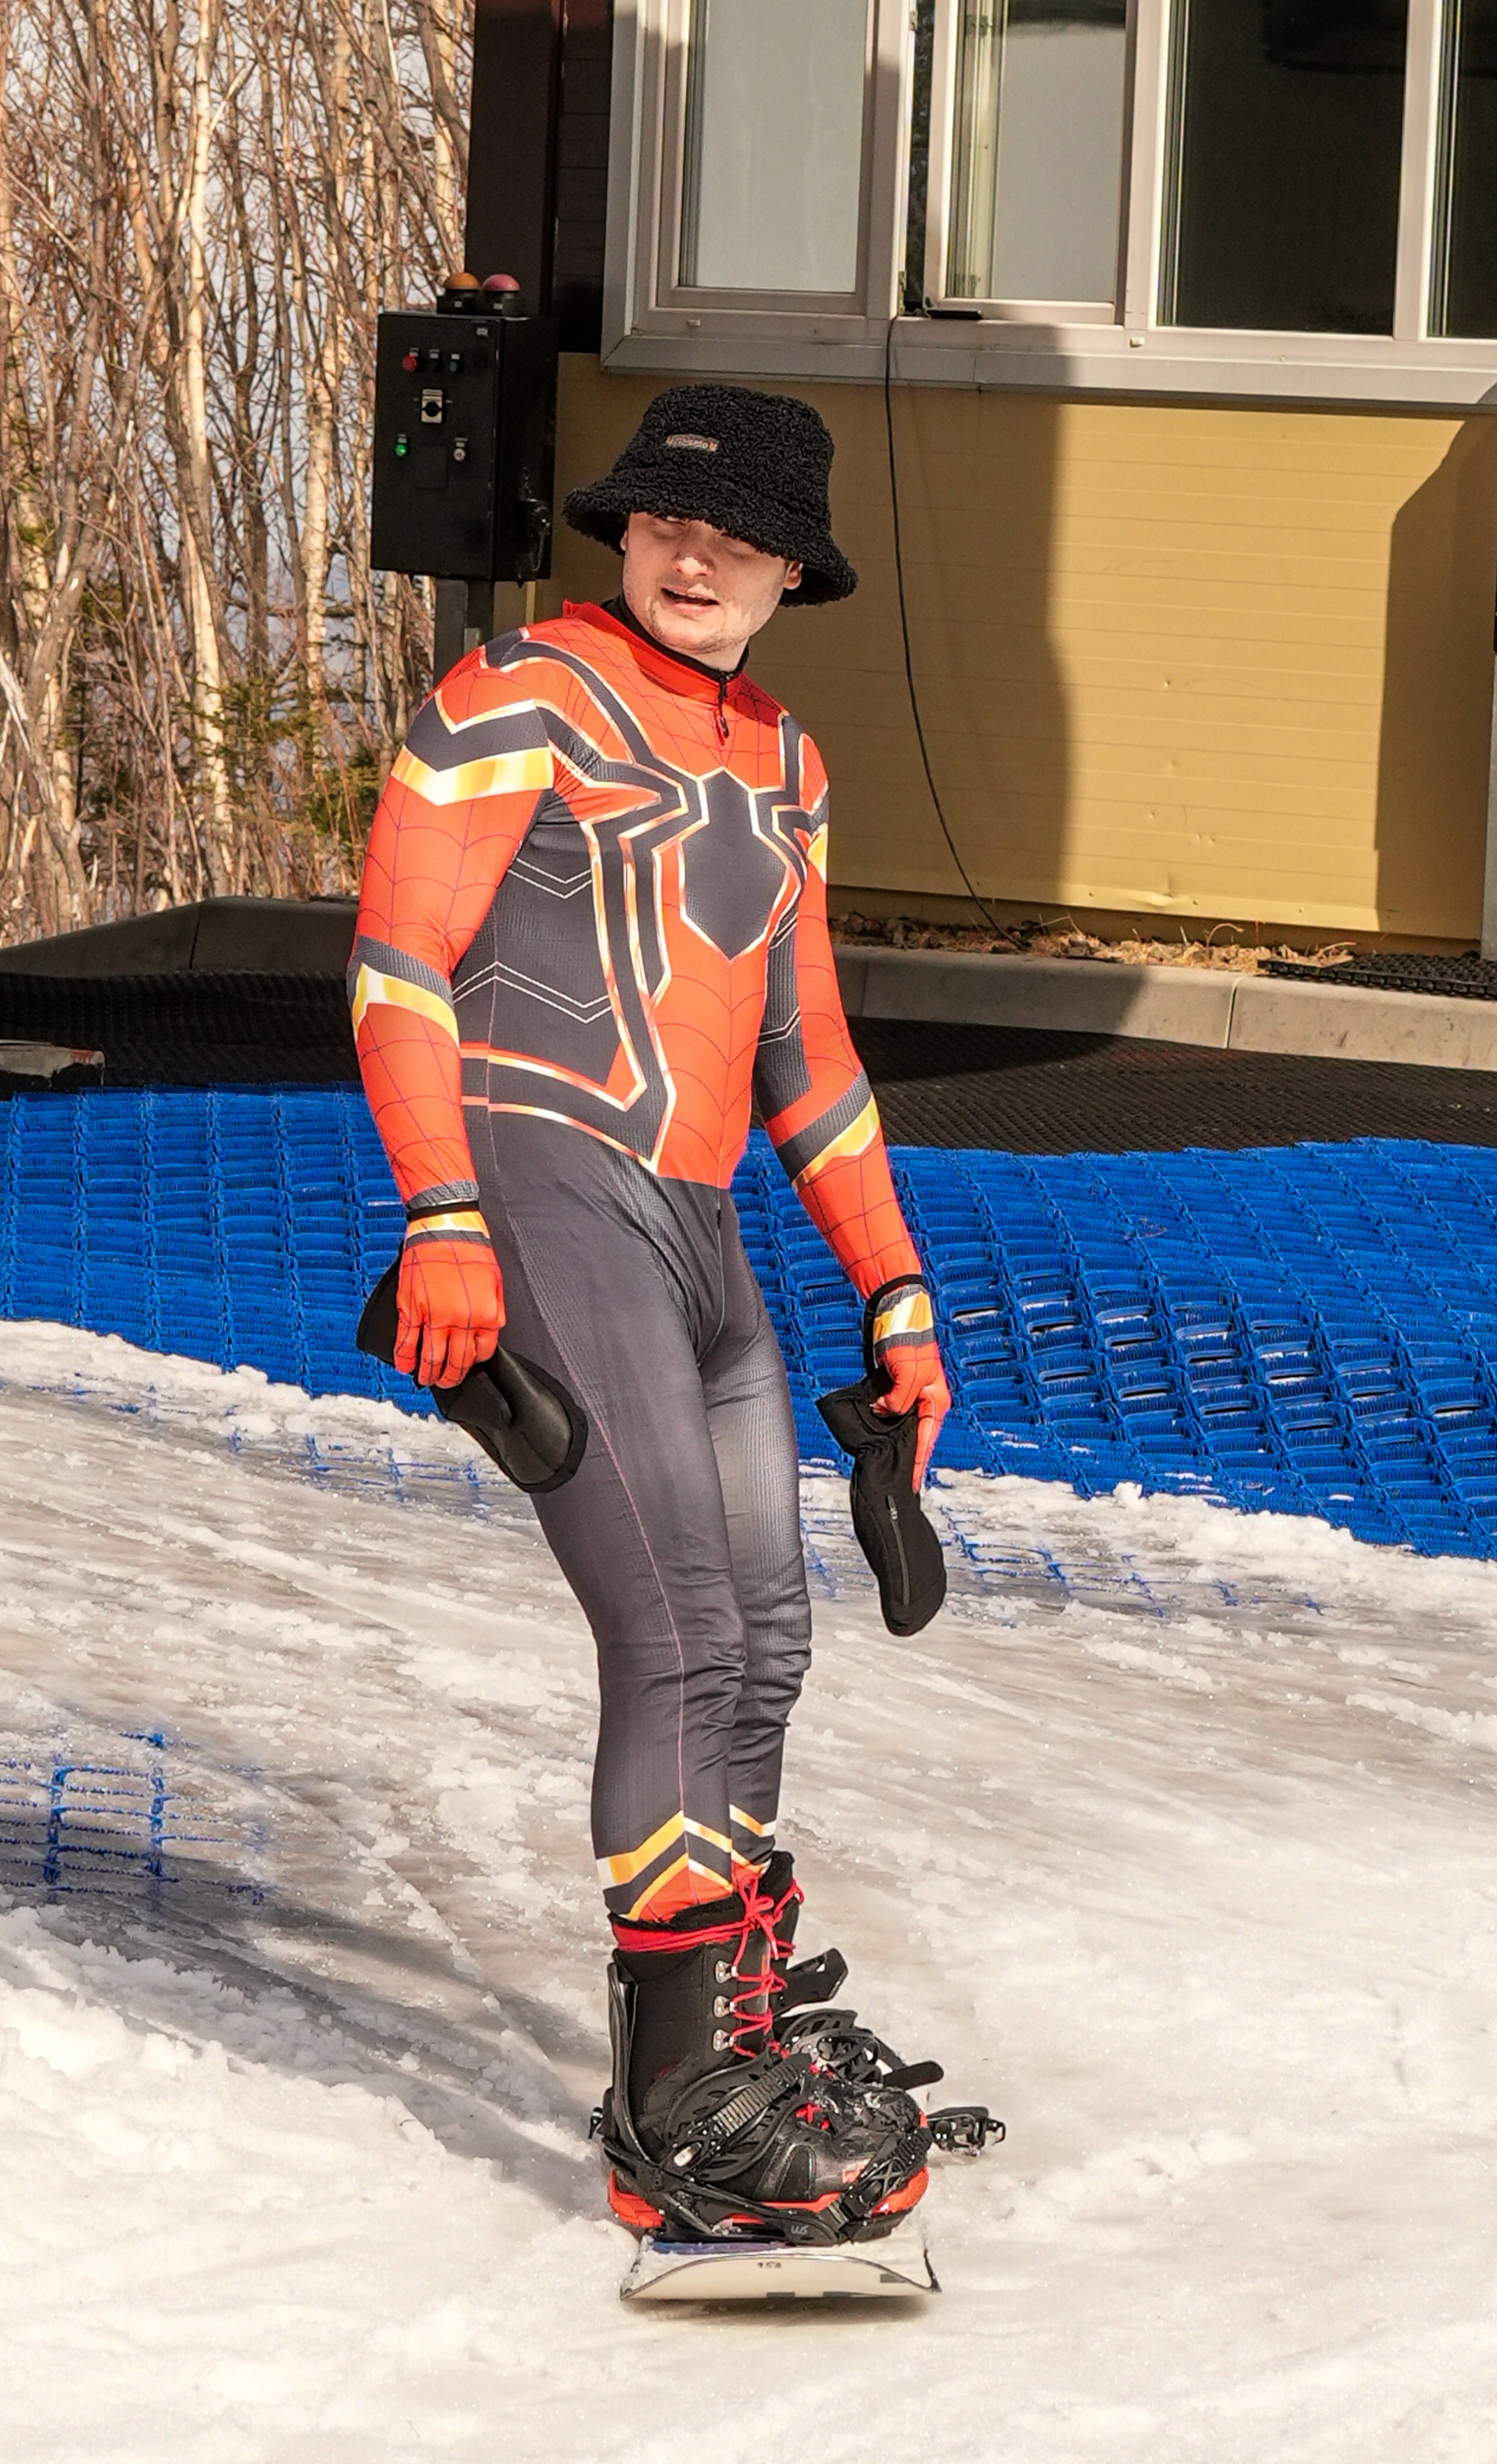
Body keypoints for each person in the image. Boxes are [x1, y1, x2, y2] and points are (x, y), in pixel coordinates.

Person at [349, 383, 952, 2243]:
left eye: (742, 539)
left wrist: (897, 1288)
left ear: (792, 572)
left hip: (697, 1226)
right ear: (626, 532)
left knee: (763, 1632)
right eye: (671, 525)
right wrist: (442, 1211)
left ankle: (731, 2038)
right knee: (677, 1625)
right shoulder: (515, 691)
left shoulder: (787, 760)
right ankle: (674, 2116)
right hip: (544, 1191)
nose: (698, 560)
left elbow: (808, 1056)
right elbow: (397, 956)